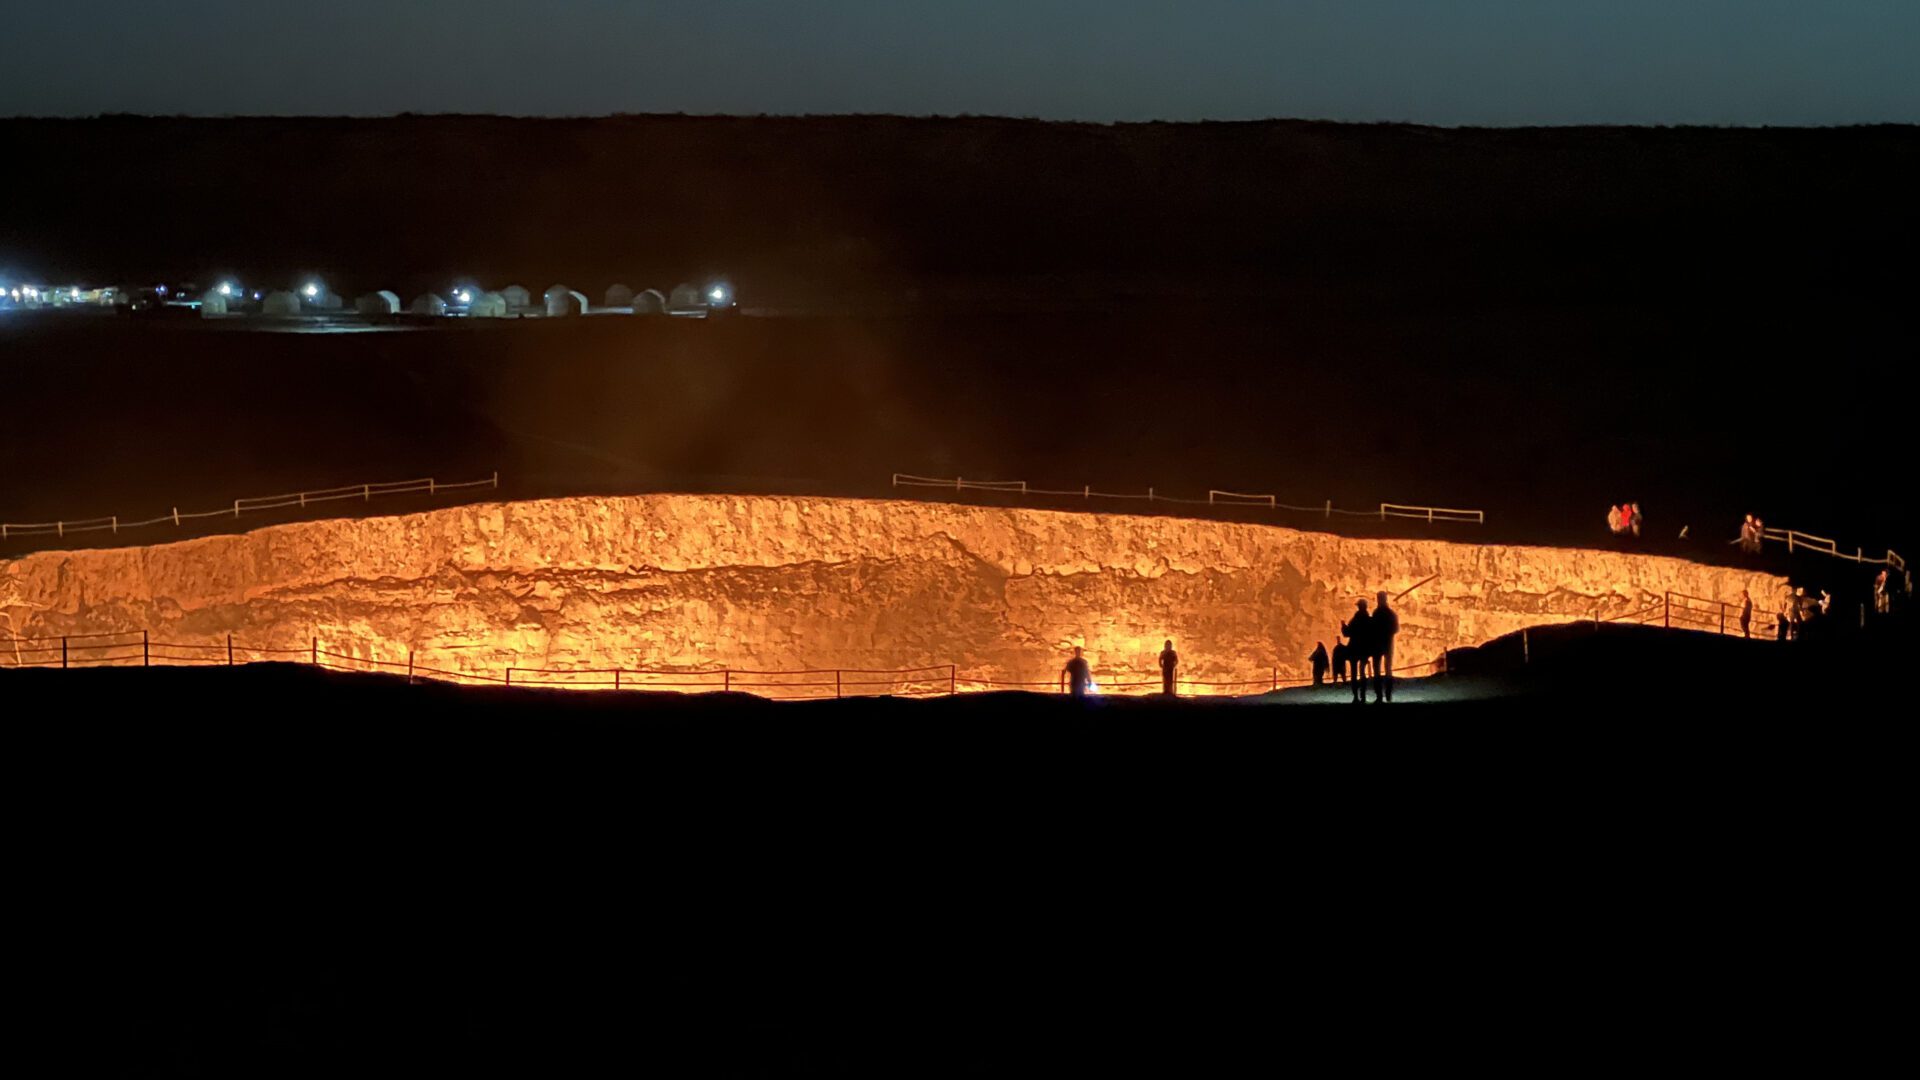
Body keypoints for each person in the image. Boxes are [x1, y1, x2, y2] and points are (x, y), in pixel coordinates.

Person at [1340, 599, 1373, 704]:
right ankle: (1363, 697)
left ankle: (1356, 697)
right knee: (1362, 673)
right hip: (1364, 649)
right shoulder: (1368, 619)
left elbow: (1347, 633)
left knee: (1354, 674)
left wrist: (1343, 626)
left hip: (1354, 649)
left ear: (1359, 607)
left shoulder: (1355, 619)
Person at [1372, 590, 1399, 703]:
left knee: (1377, 670)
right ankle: (1388, 695)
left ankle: (1380, 696)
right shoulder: (1390, 614)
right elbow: (1396, 629)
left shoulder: (1376, 613)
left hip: (1378, 645)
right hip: (1387, 644)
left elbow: (1372, 629)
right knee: (1388, 669)